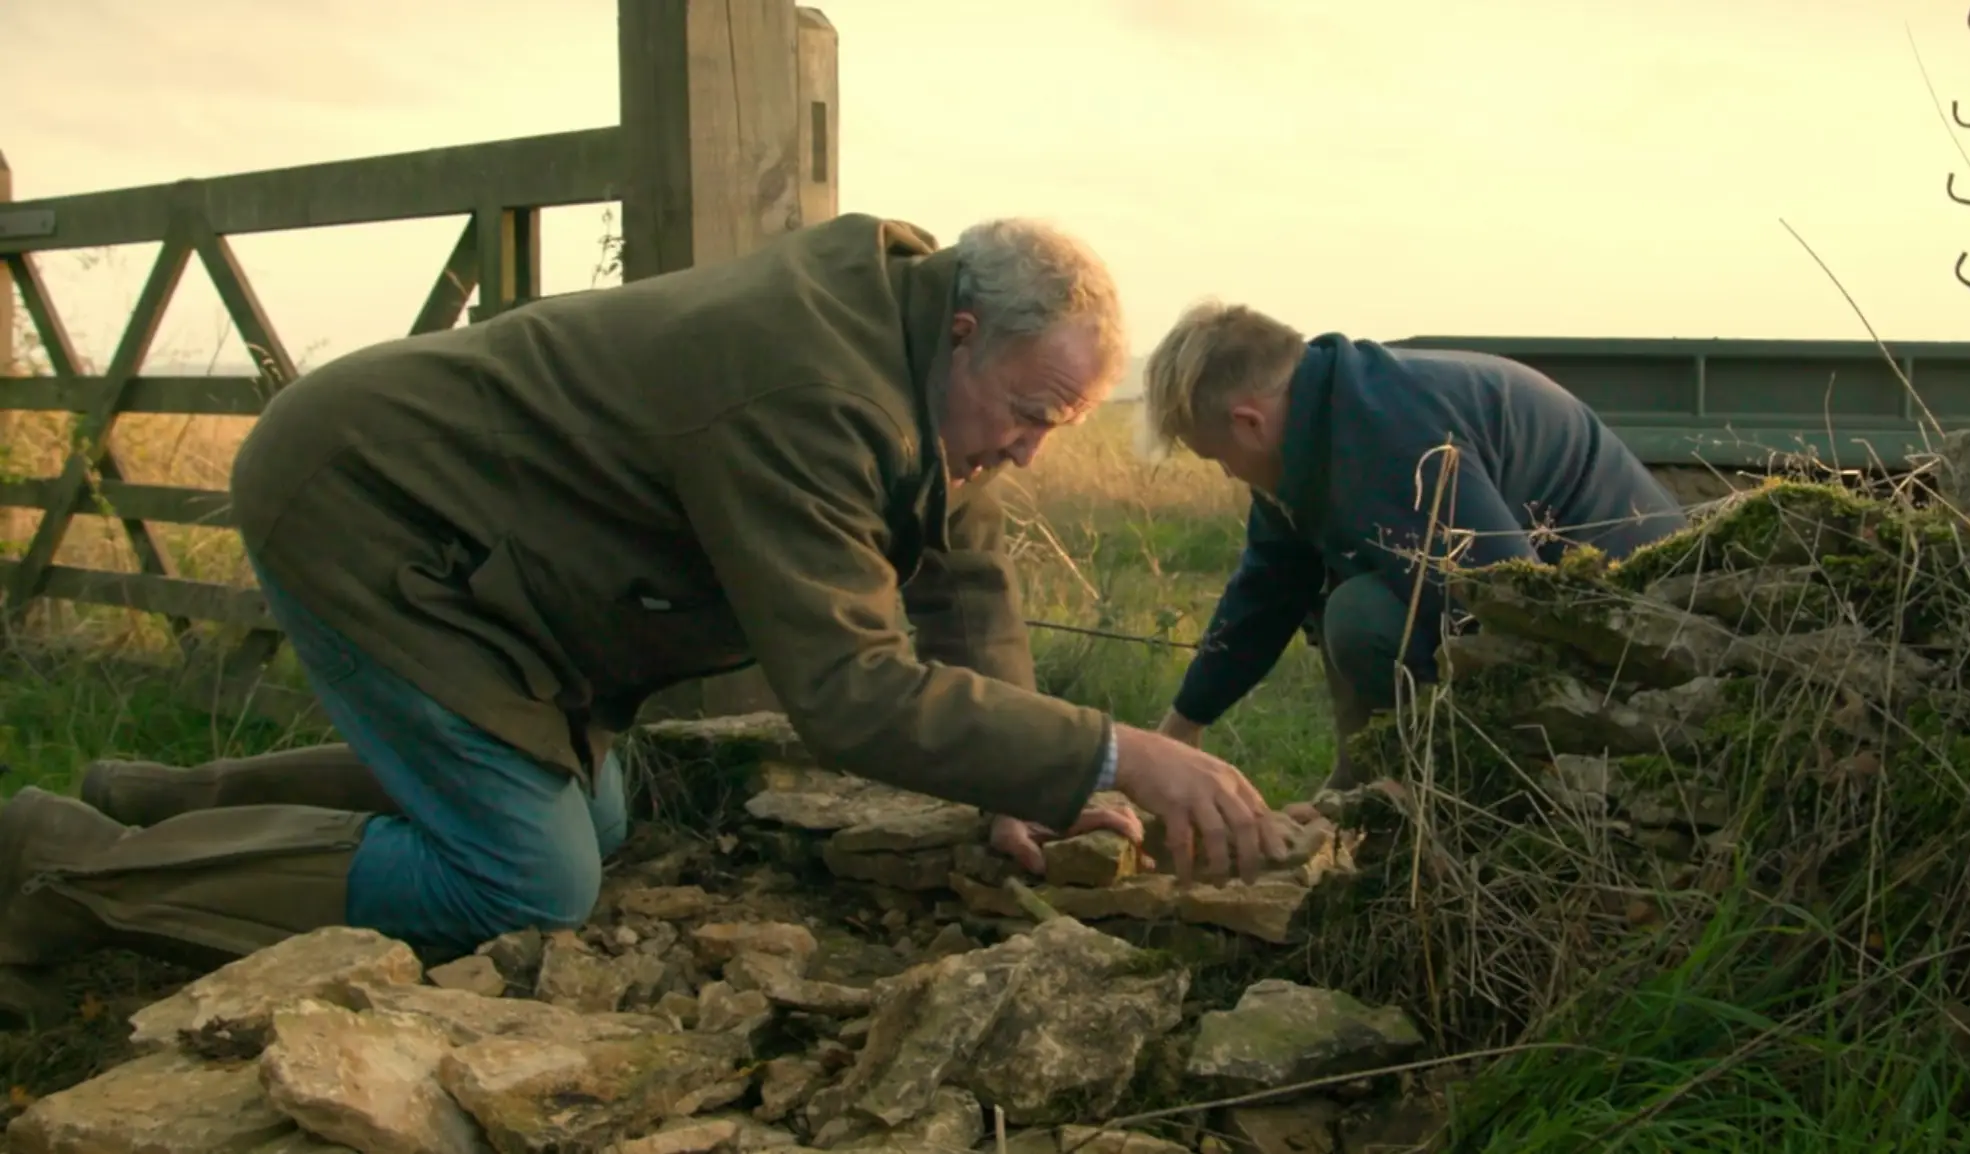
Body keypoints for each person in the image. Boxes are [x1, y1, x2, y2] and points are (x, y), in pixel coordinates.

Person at [0, 215, 1296, 1023]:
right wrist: (1116, 753)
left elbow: (963, 580)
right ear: (964, 332)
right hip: (380, 514)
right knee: (529, 879)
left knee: (599, 816)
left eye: (1056, 426)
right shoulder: (809, 389)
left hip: (489, 556)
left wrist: (1022, 780)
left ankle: (152, 797)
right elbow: (849, 688)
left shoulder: (915, 370)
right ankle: (67, 866)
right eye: (1028, 410)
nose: (1024, 448)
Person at [1139, 300, 1688, 794]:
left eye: (1217, 458)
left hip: (1640, 621)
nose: (1231, 474)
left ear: (1248, 422)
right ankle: (1387, 780)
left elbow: (1504, 604)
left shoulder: (1391, 444)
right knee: (1342, 593)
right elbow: (1267, 589)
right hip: (1557, 597)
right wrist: (1182, 726)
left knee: (1361, 615)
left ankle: (1475, 792)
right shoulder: (1323, 417)